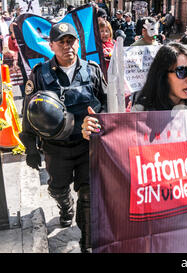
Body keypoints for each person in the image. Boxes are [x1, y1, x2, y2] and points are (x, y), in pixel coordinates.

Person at [19, 22, 107, 253]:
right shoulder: (40, 74)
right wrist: (30, 146)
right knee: (57, 188)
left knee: (88, 196)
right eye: (62, 42)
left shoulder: (93, 70)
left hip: (88, 145)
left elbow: (108, 106)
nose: (67, 46)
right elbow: (29, 111)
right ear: (52, 45)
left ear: (77, 44)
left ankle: (87, 244)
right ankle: (65, 206)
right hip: (56, 147)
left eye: (71, 41)